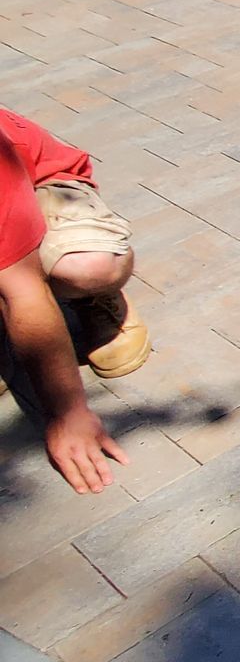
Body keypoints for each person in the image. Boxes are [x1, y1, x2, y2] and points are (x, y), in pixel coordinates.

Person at [0, 108, 149, 493]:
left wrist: (68, 413)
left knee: (85, 267)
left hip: (40, 184)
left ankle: (96, 296)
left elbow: (23, 292)